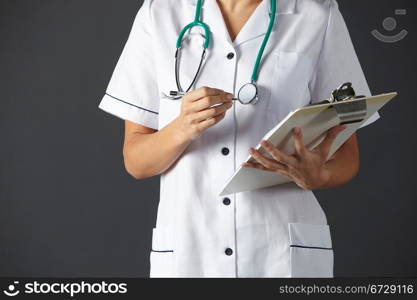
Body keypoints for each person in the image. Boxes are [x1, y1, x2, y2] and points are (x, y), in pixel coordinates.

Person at [98, 0, 380, 277]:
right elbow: (136, 162)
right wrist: (182, 128)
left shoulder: (318, 14)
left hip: (279, 253)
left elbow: (347, 156)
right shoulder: (159, 13)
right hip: (191, 252)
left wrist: (319, 176)